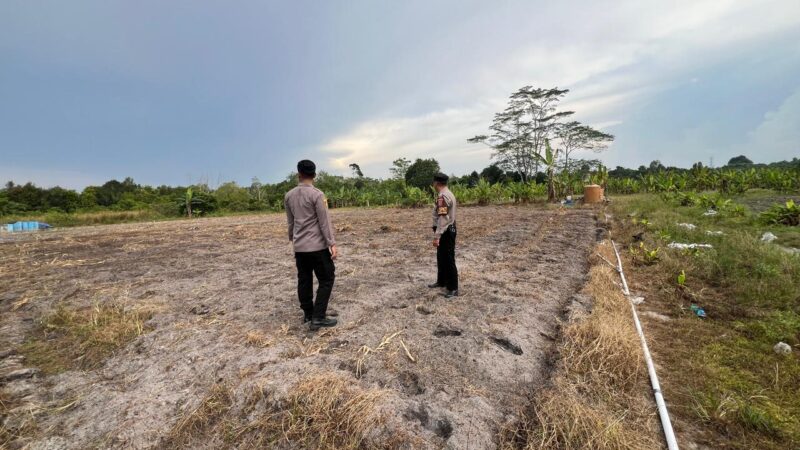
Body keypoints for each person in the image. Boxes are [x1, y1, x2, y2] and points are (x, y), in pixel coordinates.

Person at [284, 160, 338, 330]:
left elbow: (290, 222)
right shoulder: (317, 195)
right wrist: (331, 243)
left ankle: (308, 313)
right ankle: (318, 317)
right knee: (327, 279)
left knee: (304, 280)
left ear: (298, 174)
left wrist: (293, 239)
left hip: (300, 248)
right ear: (314, 175)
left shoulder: (289, 196)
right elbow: (324, 222)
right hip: (317, 247)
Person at [428, 172, 459, 298]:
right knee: (441, 257)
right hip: (447, 230)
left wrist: (437, 236)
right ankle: (441, 281)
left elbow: (443, 218)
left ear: (436, 183)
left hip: (445, 231)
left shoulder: (443, 196)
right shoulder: (448, 193)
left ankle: (453, 288)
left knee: (448, 259)